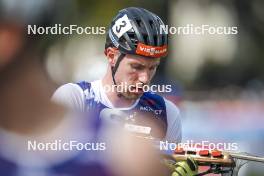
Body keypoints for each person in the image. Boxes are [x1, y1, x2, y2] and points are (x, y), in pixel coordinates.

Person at [52, 7, 182, 143]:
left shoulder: (167, 113)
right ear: (111, 56)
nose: (145, 78)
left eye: (152, 68)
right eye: (137, 67)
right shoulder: (73, 98)